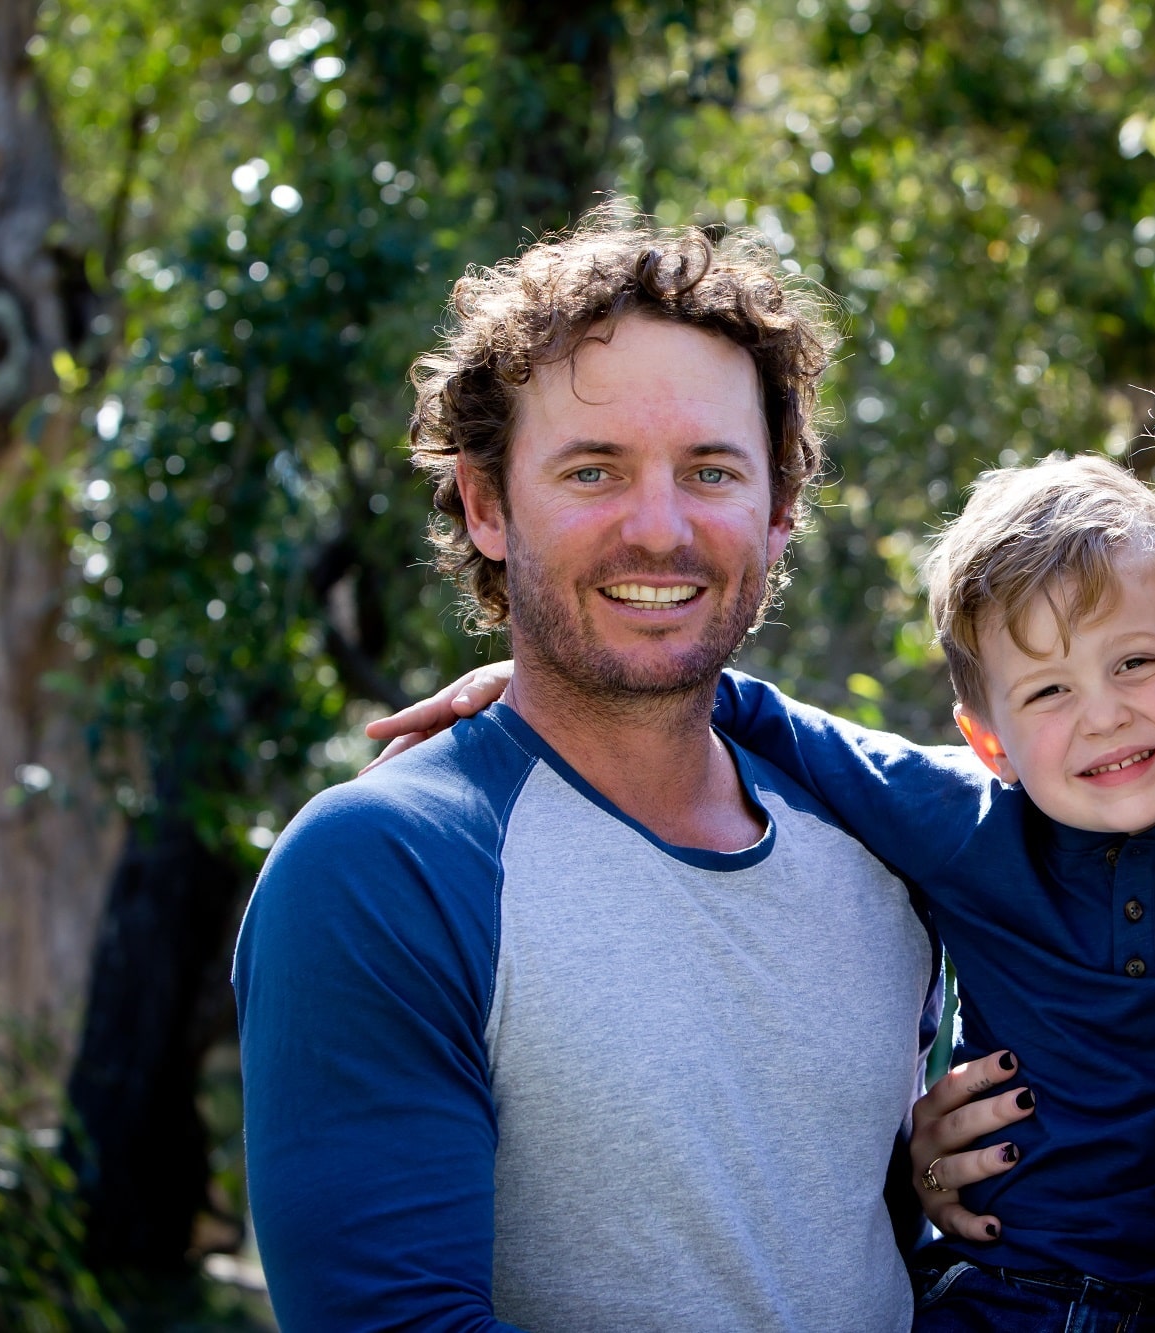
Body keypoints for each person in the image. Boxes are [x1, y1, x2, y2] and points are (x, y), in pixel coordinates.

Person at [373, 457, 1155, 1330]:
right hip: (999, 1294)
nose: (1101, 714)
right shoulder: (957, 819)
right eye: (1047, 691)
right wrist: (543, 693)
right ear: (986, 733)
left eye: (1137, 664)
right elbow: (754, 712)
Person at [232, 211, 944, 1331]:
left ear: (777, 512)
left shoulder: (888, 849)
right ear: (485, 503)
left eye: (710, 470)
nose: (656, 529)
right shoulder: (380, 869)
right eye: (593, 470)